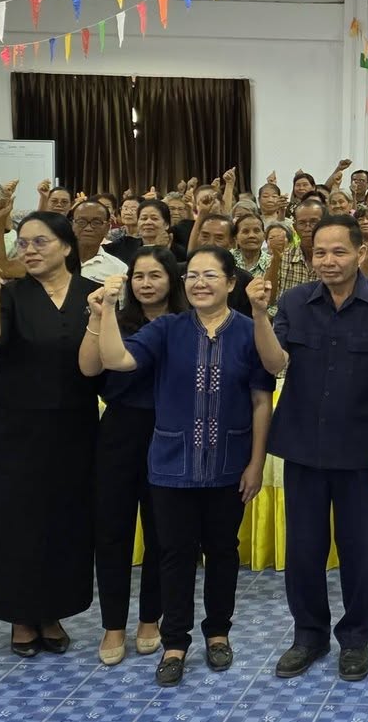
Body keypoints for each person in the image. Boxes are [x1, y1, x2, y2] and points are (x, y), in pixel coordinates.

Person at [82, 248, 279, 686]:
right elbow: (116, 360)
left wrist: (256, 462)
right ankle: (174, 642)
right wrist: (106, 310)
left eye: (210, 275)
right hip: (172, 464)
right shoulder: (168, 328)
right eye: (192, 276)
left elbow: (267, 385)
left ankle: (218, 632)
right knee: (173, 555)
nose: (199, 283)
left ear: (231, 283)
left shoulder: (248, 330)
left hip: (229, 463)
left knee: (223, 551)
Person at [271, 214, 368, 682]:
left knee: (361, 549)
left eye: (338, 251)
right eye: (319, 252)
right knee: (304, 549)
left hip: (362, 449)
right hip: (303, 448)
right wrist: (255, 313)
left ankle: (355, 639)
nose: (328, 261)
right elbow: (273, 362)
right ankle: (308, 635)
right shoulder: (293, 302)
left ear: (361, 252)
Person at [0, 211, 101, 656]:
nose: (29, 250)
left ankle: (53, 612)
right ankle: (21, 616)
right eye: (23, 243)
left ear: (66, 246)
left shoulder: (92, 294)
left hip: (75, 427)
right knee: (18, 521)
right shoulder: (11, 294)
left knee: (66, 520)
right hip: (17, 428)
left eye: (40, 242)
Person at [93, 246, 180, 666]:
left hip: (169, 434)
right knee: (112, 531)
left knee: (162, 532)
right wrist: (102, 314)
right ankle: (113, 624)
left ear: (171, 280)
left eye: (155, 275)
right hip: (120, 432)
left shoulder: (186, 324)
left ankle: (150, 618)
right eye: (139, 276)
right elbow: (94, 372)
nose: (146, 284)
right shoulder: (117, 321)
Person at [274, 197, 322, 296]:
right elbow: (269, 297)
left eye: (314, 222)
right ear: (295, 227)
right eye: (302, 223)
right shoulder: (283, 257)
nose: (308, 228)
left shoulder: (333, 259)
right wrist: (275, 259)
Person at [72, 199, 128, 283]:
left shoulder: (118, 269)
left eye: (96, 223)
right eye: (81, 222)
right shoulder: (56, 261)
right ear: (72, 224)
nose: (88, 228)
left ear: (107, 227)